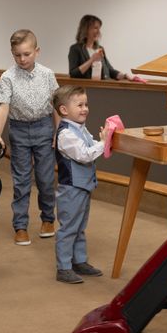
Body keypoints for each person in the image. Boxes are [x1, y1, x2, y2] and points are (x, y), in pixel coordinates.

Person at [0, 29, 59, 246]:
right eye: (17, 55)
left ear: (37, 51)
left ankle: (48, 219)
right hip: (19, 131)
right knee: (21, 181)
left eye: (26, 54)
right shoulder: (7, 77)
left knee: (45, 179)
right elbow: (4, 106)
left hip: (44, 128)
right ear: (12, 53)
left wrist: (58, 131)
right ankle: (20, 226)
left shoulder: (47, 75)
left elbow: (57, 106)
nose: (22, 59)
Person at [52, 85, 109, 284]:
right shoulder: (65, 134)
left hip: (83, 187)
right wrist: (103, 144)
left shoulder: (80, 129)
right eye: (79, 105)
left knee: (79, 226)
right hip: (71, 189)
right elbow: (84, 154)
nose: (85, 109)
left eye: (86, 104)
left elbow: (91, 145)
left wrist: (103, 141)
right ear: (64, 110)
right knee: (69, 228)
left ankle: (79, 261)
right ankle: (64, 268)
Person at [67, 15, 141, 81]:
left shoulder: (100, 48)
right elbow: (73, 74)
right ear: (85, 29)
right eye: (95, 28)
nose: (98, 32)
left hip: (103, 88)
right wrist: (92, 60)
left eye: (99, 28)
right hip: (85, 89)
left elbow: (110, 70)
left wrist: (125, 75)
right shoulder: (75, 49)